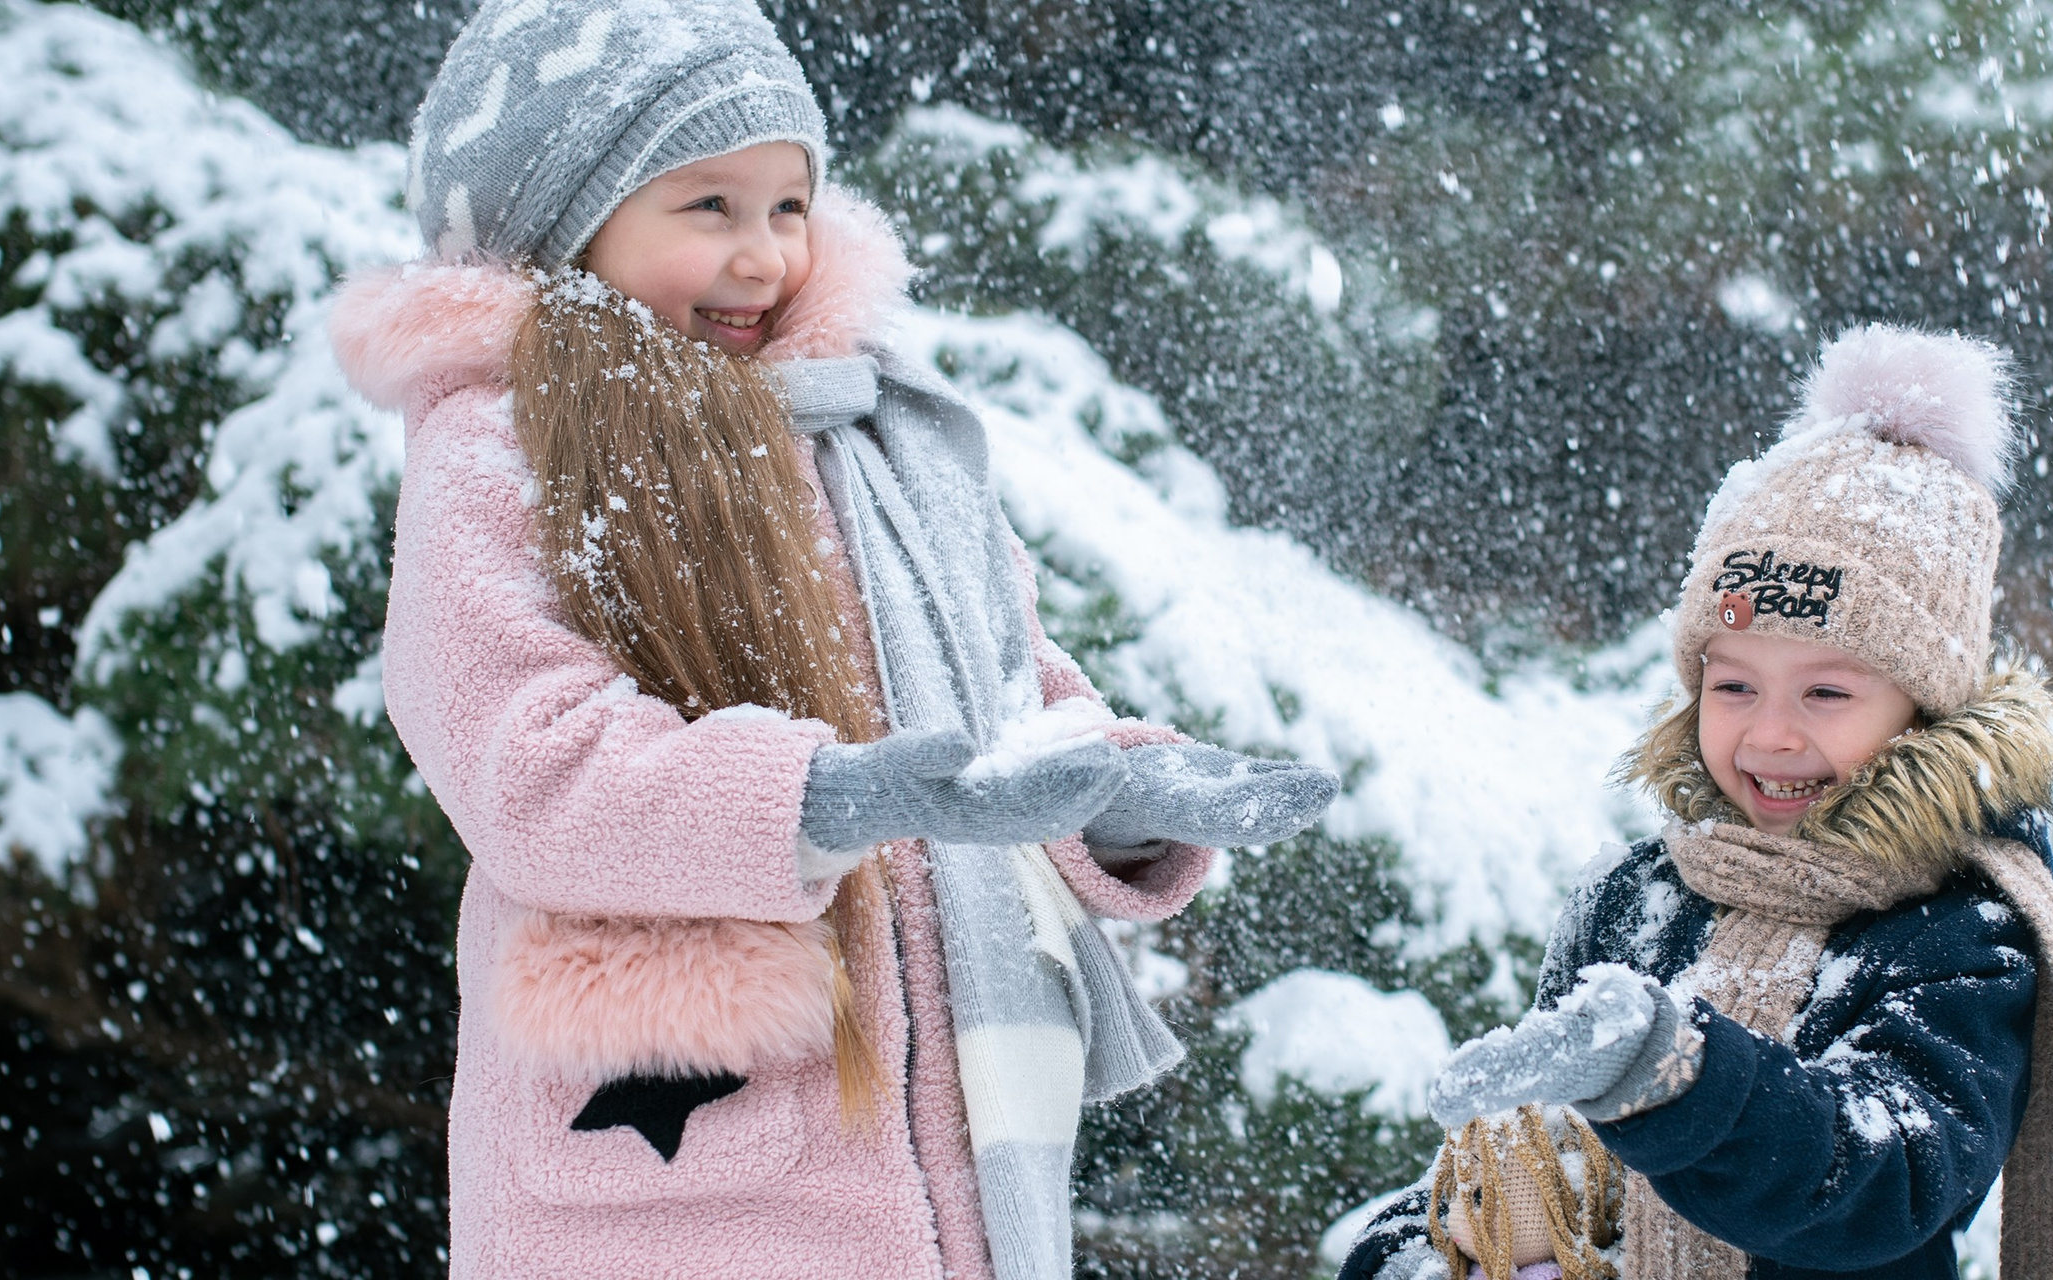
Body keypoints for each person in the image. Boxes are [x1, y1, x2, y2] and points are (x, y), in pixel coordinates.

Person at [327, 2, 1336, 1276]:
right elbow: (522, 757)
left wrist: (1120, 793)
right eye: (709, 208)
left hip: (952, 1140)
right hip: (683, 1159)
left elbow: (1011, 700)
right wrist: (811, 798)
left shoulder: (880, 442)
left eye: (788, 207)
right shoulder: (505, 444)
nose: (762, 258)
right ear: (563, 218)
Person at [1338, 327, 2053, 1280]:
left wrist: (1678, 1076)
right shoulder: (1634, 900)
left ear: (1927, 710)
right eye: (1734, 686)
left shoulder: (1959, 935)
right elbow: (1536, 1163)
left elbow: (1882, 1183)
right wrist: (1432, 1252)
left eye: (1827, 694)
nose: (1771, 735)